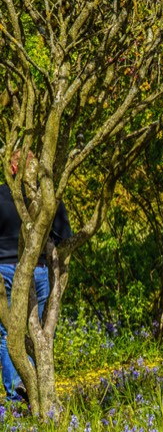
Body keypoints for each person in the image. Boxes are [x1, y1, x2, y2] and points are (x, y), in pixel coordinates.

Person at [0, 154, 72, 401]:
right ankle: (35, 391)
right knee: (37, 332)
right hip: (38, 267)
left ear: (12, 167)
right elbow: (64, 234)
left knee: (7, 332)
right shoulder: (47, 198)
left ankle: (16, 391)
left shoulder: (1, 195)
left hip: (5, 269)